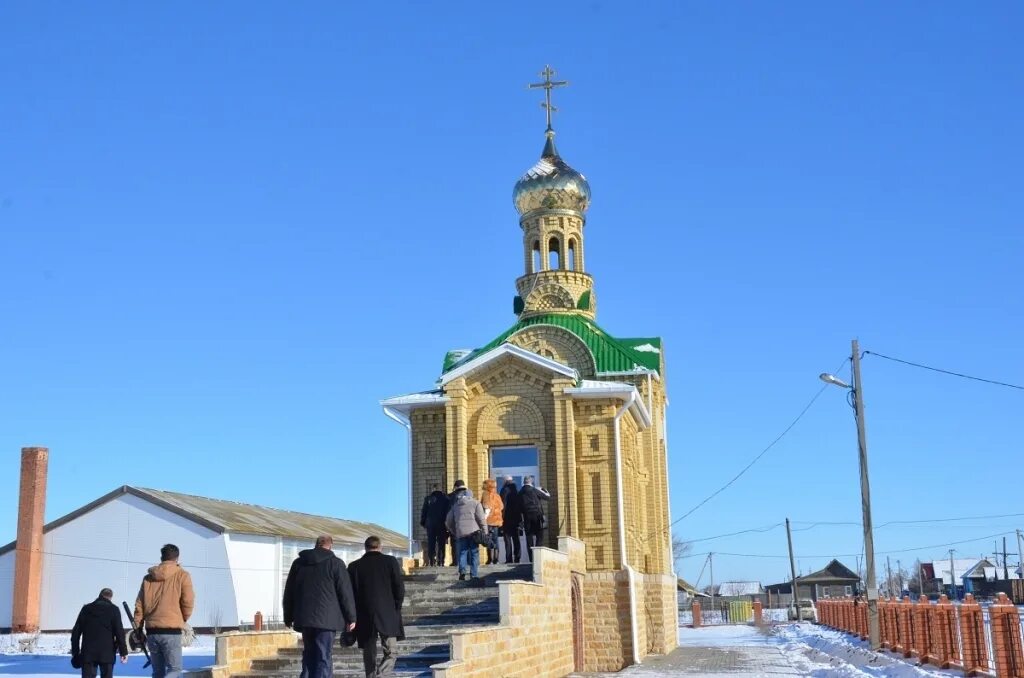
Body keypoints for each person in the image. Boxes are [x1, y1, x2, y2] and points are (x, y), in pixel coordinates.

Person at [283, 535, 358, 678]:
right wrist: (351, 617)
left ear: (316, 545)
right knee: (323, 656)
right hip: (327, 620)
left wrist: (288, 616)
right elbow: (345, 592)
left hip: (305, 618)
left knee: (309, 654)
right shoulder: (336, 564)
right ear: (330, 546)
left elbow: (289, 591)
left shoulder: (299, 563)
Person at [348, 536, 405, 678]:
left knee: (369, 652)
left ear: (365, 547)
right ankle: (382, 674)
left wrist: (351, 615)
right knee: (391, 651)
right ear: (380, 547)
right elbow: (399, 587)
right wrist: (396, 606)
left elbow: (350, 593)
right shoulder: (390, 561)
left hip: (364, 613)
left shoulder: (354, 566)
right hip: (388, 612)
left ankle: (372, 675)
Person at [134, 544, 194, 678]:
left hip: (152, 632)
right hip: (171, 630)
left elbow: (139, 605)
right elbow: (188, 601)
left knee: (158, 672)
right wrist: (181, 618)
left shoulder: (148, 578)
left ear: (161, 557)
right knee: (175, 669)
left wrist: (138, 627)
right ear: (177, 558)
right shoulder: (182, 575)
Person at [72, 588, 128, 678]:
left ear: (99, 596)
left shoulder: (86, 609)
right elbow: (119, 632)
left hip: (88, 654)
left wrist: (75, 653)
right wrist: (123, 651)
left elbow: (76, 633)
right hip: (107, 653)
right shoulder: (114, 610)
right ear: (110, 598)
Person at [445, 480, 486, 580]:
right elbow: (481, 519)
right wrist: (485, 531)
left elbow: (448, 521)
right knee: (474, 553)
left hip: (460, 533)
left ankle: (462, 572)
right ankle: (474, 574)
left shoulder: (455, 506)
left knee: (462, 553)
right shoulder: (476, 503)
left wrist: (454, 531)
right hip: (473, 533)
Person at [518, 476, 550, 563]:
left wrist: (520, 521)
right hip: (538, 517)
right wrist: (544, 489)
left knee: (529, 538)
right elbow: (547, 497)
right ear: (531, 482)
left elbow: (518, 508)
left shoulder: (520, 493)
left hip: (527, 518)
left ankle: (531, 559)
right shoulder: (535, 490)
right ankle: (537, 558)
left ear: (524, 482)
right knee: (540, 536)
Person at [418, 484, 449, 567]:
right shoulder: (445, 499)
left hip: (430, 524)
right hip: (442, 523)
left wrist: (423, 522)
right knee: (441, 542)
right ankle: (441, 561)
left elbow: (424, 511)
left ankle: (432, 560)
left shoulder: (428, 499)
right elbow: (448, 512)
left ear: (433, 489)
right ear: (440, 490)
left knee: (431, 542)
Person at [479, 479, 504, 565]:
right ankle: (496, 559)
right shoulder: (497, 495)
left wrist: (483, 520)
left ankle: (490, 559)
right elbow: (501, 507)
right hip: (496, 521)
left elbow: (486, 507)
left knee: (488, 539)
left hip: (489, 521)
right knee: (495, 539)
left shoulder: (486, 494)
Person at [499, 476, 521, 564]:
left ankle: (509, 559)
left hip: (507, 518)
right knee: (516, 538)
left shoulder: (504, 490)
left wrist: (501, 518)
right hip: (516, 518)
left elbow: (502, 505)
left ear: (505, 481)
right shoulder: (516, 490)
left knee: (507, 539)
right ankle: (517, 558)